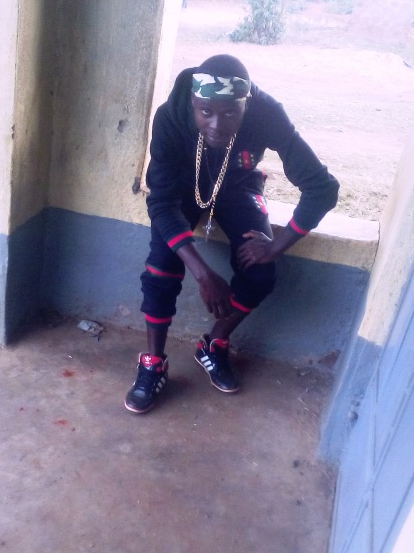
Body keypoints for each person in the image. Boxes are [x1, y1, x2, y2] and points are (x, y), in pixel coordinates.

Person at [124, 54, 339, 414]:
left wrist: (277, 246)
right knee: (161, 266)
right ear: (193, 103)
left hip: (239, 186)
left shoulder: (268, 113)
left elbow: (322, 187)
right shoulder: (170, 116)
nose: (216, 124)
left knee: (261, 273)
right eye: (205, 111)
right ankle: (153, 362)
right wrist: (203, 274)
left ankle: (214, 344)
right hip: (182, 190)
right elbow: (160, 202)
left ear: (246, 104)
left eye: (229, 112)